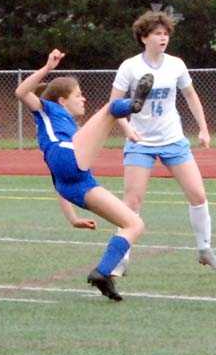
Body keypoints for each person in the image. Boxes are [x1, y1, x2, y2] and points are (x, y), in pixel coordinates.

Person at [14, 49, 154, 301]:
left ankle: (103, 272)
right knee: (111, 108)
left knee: (133, 224)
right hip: (67, 158)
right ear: (61, 101)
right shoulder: (46, 109)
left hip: (76, 181)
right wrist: (47, 68)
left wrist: (72, 218)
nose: (84, 99)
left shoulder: (70, 127)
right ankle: (133, 105)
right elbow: (22, 92)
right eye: (78, 95)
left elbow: (59, 180)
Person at [108, 10, 216, 275]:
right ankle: (121, 259)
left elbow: (191, 96)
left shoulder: (176, 64)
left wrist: (204, 129)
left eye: (166, 34)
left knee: (198, 195)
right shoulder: (130, 67)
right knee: (132, 203)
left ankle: (205, 250)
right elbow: (113, 105)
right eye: (157, 34)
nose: (163, 39)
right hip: (141, 142)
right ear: (144, 37)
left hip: (173, 139)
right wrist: (127, 128)